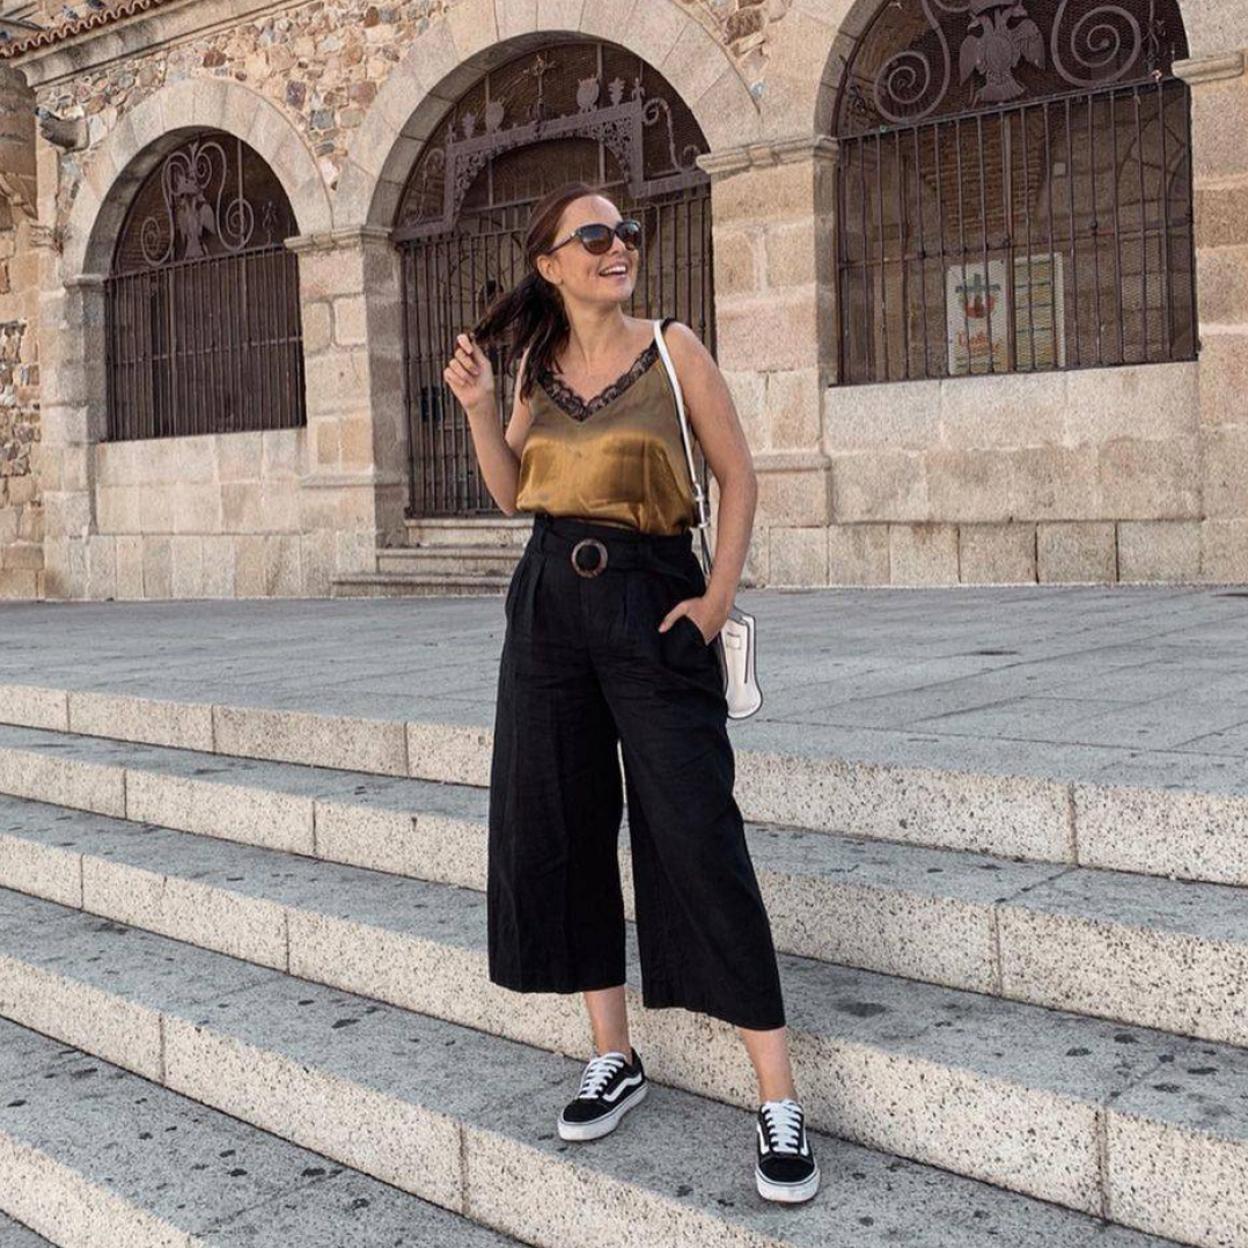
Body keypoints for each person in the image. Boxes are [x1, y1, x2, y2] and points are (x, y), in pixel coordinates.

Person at [442, 180, 819, 1205]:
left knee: (697, 829)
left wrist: (716, 599)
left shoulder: (672, 346)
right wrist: (480, 411)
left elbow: (738, 476)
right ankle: (613, 1052)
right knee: (561, 827)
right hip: (548, 611)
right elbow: (513, 492)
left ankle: (778, 1097)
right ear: (552, 264)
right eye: (595, 235)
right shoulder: (535, 365)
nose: (619, 246)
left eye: (627, 232)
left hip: (655, 600)